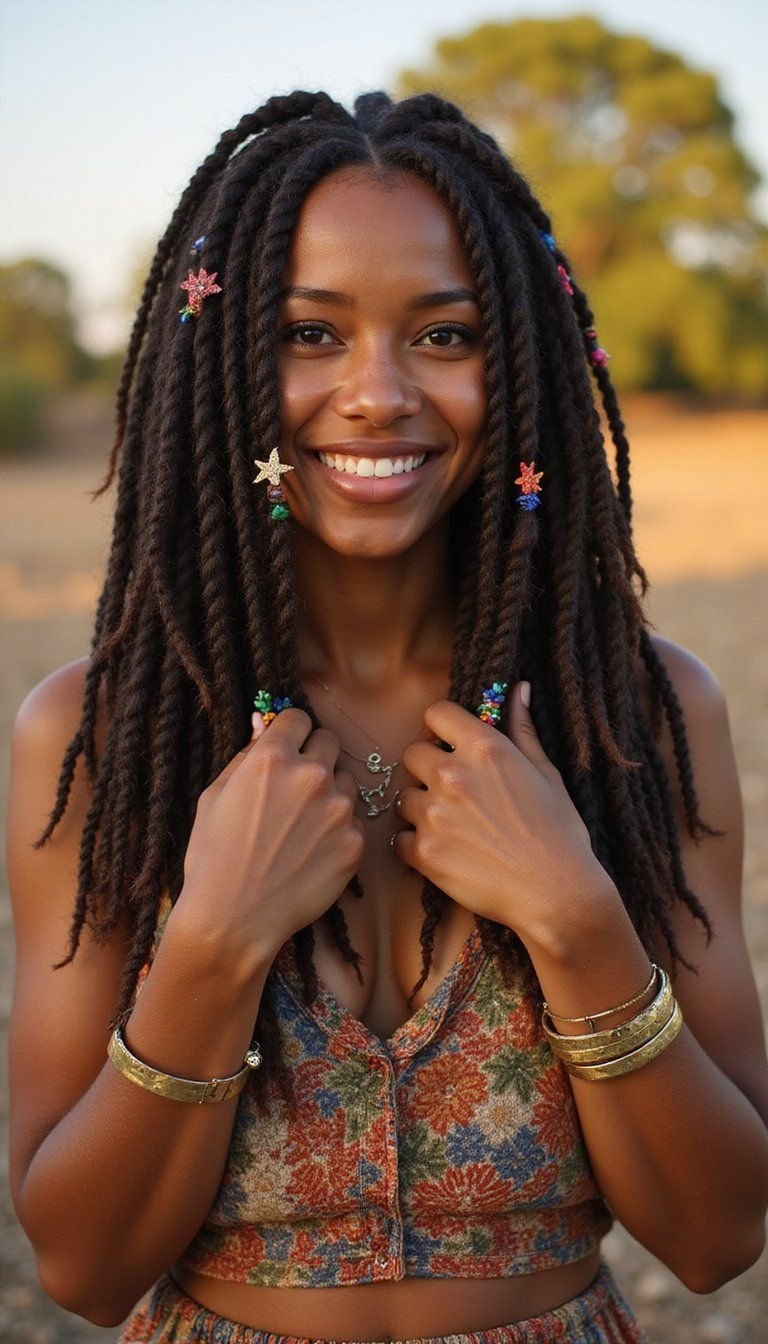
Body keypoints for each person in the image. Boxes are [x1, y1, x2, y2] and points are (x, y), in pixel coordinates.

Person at [7, 89, 768, 1344]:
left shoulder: (644, 717)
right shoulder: (93, 740)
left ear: (516, 365)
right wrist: (209, 945)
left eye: (446, 333)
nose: (376, 395)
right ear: (221, 361)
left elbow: (715, 1238)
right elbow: (85, 1272)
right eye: (308, 333)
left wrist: (577, 919)